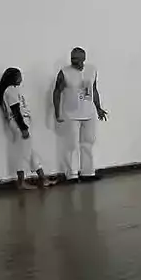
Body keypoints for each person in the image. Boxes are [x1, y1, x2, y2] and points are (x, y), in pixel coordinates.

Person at [53, 47, 108, 183]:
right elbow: (57, 92)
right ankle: (71, 174)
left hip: (88, 112)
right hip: (71, 114)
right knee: (71, 145)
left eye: (77, 58)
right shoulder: (64, 72)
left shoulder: (92, 70)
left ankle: (88, 173)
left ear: (84, 58)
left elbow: (94, 90)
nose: (74, 61)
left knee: (88, 143)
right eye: (72, 58)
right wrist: (57, 112)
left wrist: (98, 108)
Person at [0, 68, 55, 189]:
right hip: (20, 123)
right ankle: (21, 182)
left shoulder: (13, 90)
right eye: (19, 76)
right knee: (23, 153)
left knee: (30, 152)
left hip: (22, 122)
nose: (21, 78)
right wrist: (23, 127)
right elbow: (16, 110)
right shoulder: (10, 90)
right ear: (13, 78)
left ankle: (42, 178)